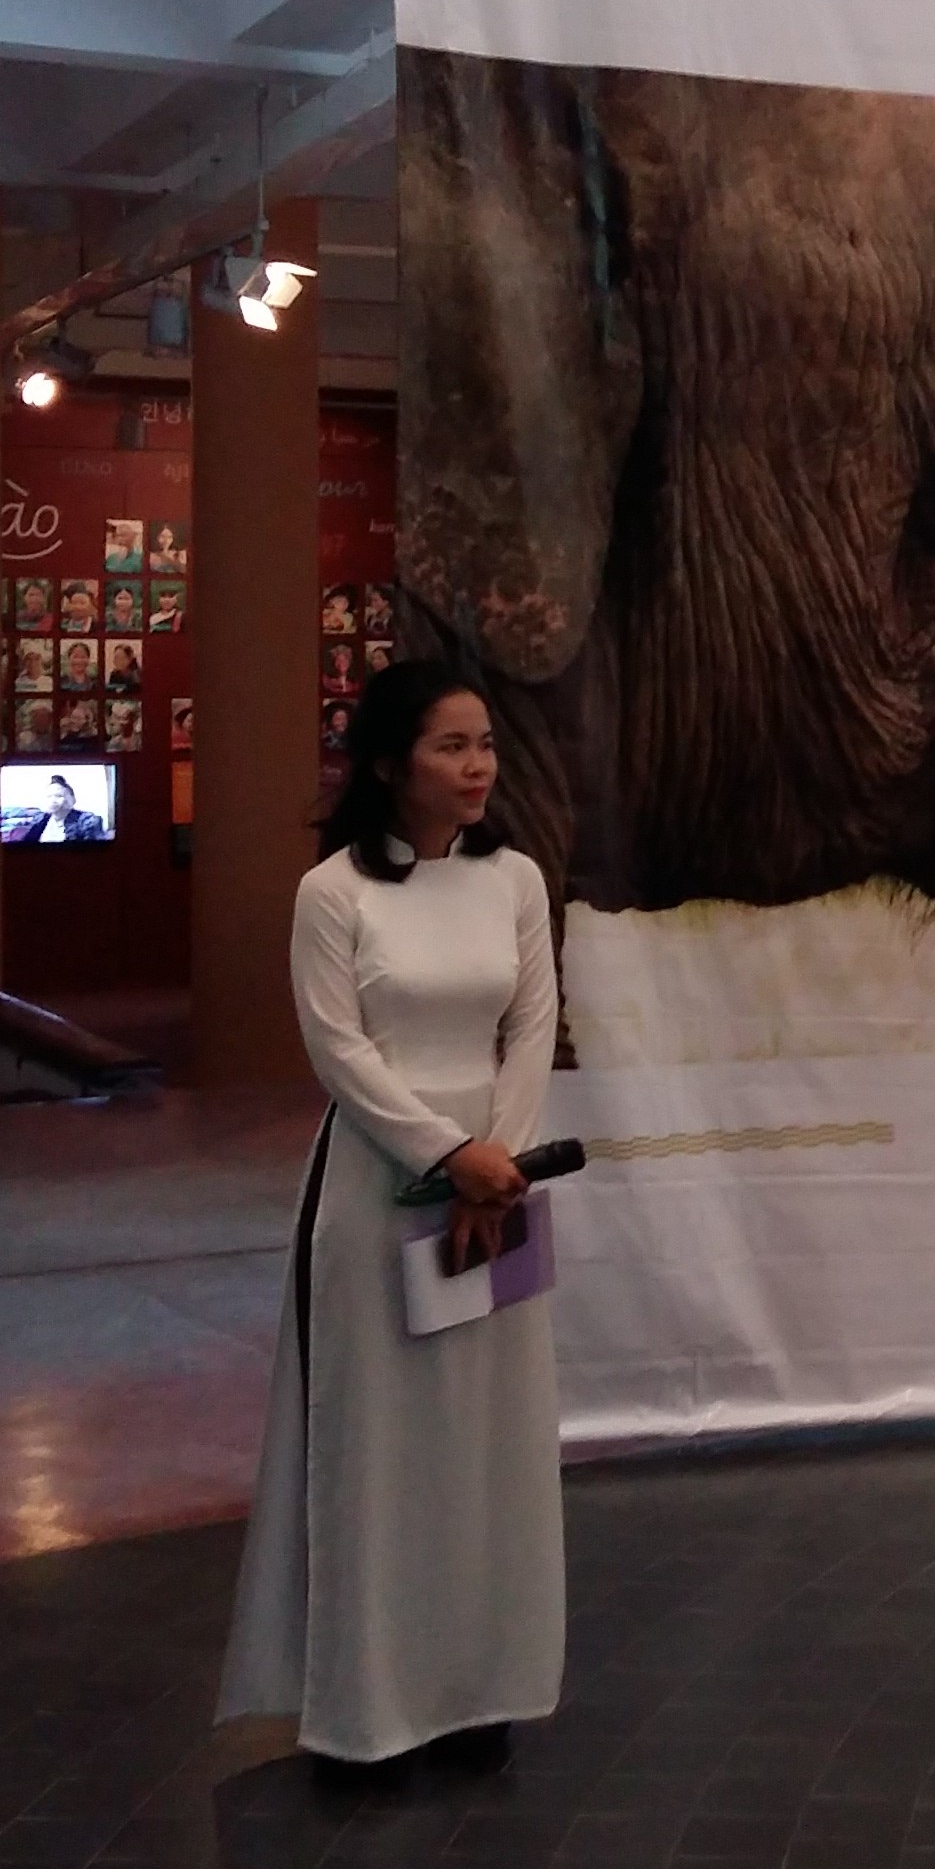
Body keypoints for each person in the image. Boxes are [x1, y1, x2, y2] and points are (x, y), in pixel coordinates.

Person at [217, 663, 564, 1782]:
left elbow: (532, 1026)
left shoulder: (514, 879)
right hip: (379, 1184)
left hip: (498, 1185)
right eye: (450, 746)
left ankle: (478, 1690)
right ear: (386, 763)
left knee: (488, 1438)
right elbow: (339, 1051)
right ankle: (367, 1711)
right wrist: (447, 1156)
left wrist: (499, 1165)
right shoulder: (334, 893)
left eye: (485, 745)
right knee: (377, 1445)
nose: (477, 767)